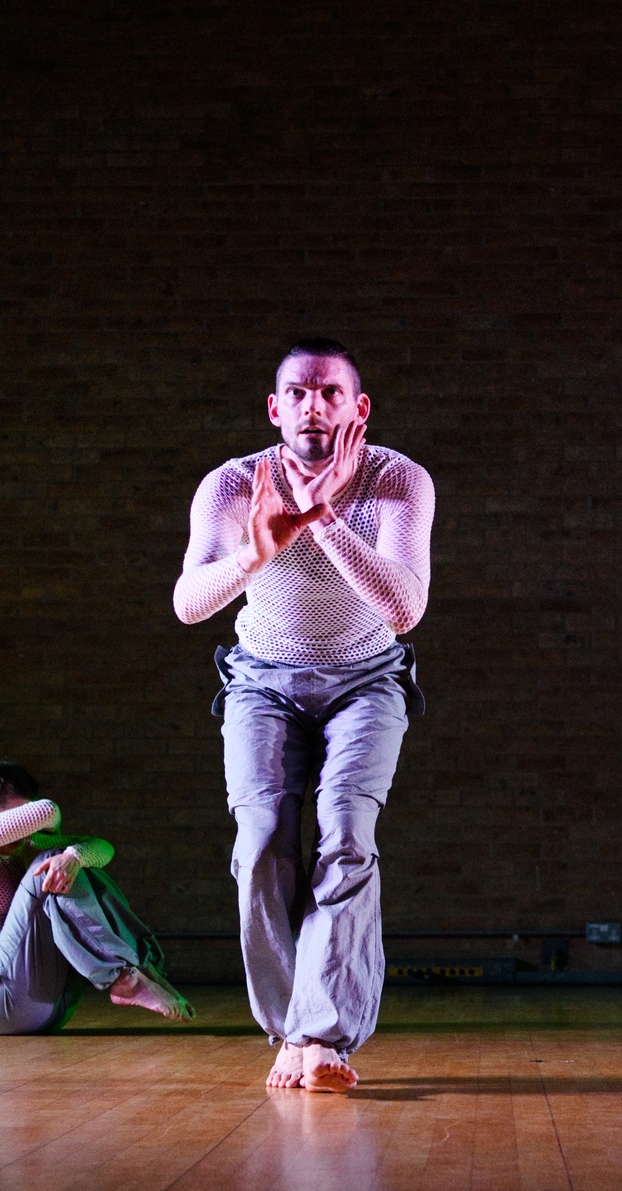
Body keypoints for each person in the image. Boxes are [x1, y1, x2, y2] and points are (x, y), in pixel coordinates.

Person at [173, 338, 434, 1092]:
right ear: (275, 408)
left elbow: (404, 608)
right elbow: (188, 604)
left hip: (366, 680)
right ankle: (291, 1026)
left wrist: (322, 518)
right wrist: (252, 556)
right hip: (263, 681)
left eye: (329, 393)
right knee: (261, 842)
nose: (312, 406)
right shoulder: (233, 485)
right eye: (298, 393)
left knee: (345, 834)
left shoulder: (397, 480)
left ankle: (320, 1036)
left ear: (358, 407)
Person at [0, 760, 195, 1034]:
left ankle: (142, 969)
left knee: (72, 861)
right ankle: (125, 978)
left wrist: (74, 857)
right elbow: (47, 811)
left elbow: (103, 848)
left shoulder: (17, 846)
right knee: (51, 862)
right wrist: (59, 852)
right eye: (16, 819)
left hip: (50, 1005)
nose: (24, 832)